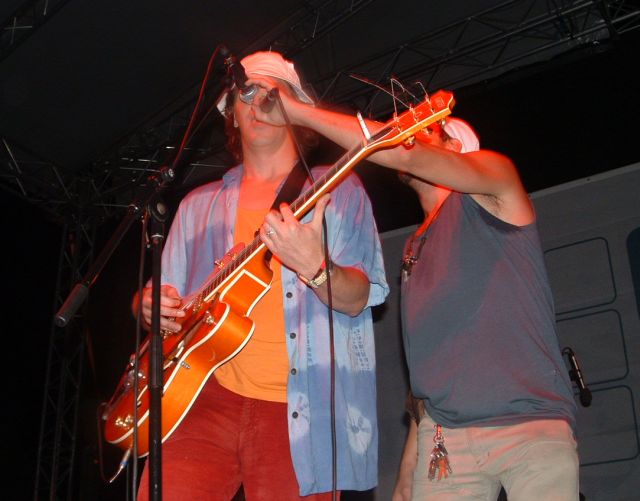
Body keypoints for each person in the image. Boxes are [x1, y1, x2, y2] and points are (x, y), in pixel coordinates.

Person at [252, 93, 579, 500]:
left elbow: (403, 152)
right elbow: (428, 369)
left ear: (455, 147)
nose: (409, 134)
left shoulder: (497, 184)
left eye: (425, 131)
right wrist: (411, 460)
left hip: (528, 426)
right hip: (445, 442)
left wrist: (294, 110)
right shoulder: (414, 247)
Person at [133, 51, 389, 500]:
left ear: (297, 109)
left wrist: (317, 268)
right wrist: (148, 306)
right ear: (231, 114)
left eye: (273, 95)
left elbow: (359, 298)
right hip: (200, 397)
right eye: (245, 96)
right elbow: (157, 300)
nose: (258, 104)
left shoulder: (337, 189)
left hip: (301, 407)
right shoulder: (197, 205)